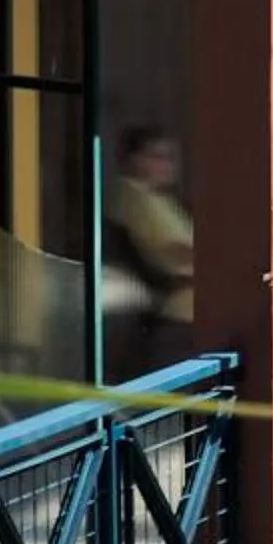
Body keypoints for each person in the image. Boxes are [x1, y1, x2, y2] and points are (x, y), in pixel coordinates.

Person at [104, 125, 196, 376]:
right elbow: (171, 257)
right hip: (174, 315)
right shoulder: (131, 195)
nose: (168, 165)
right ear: (134, 160)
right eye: (158, 157)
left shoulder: (160, 199)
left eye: (171, 158)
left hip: (184, 313)